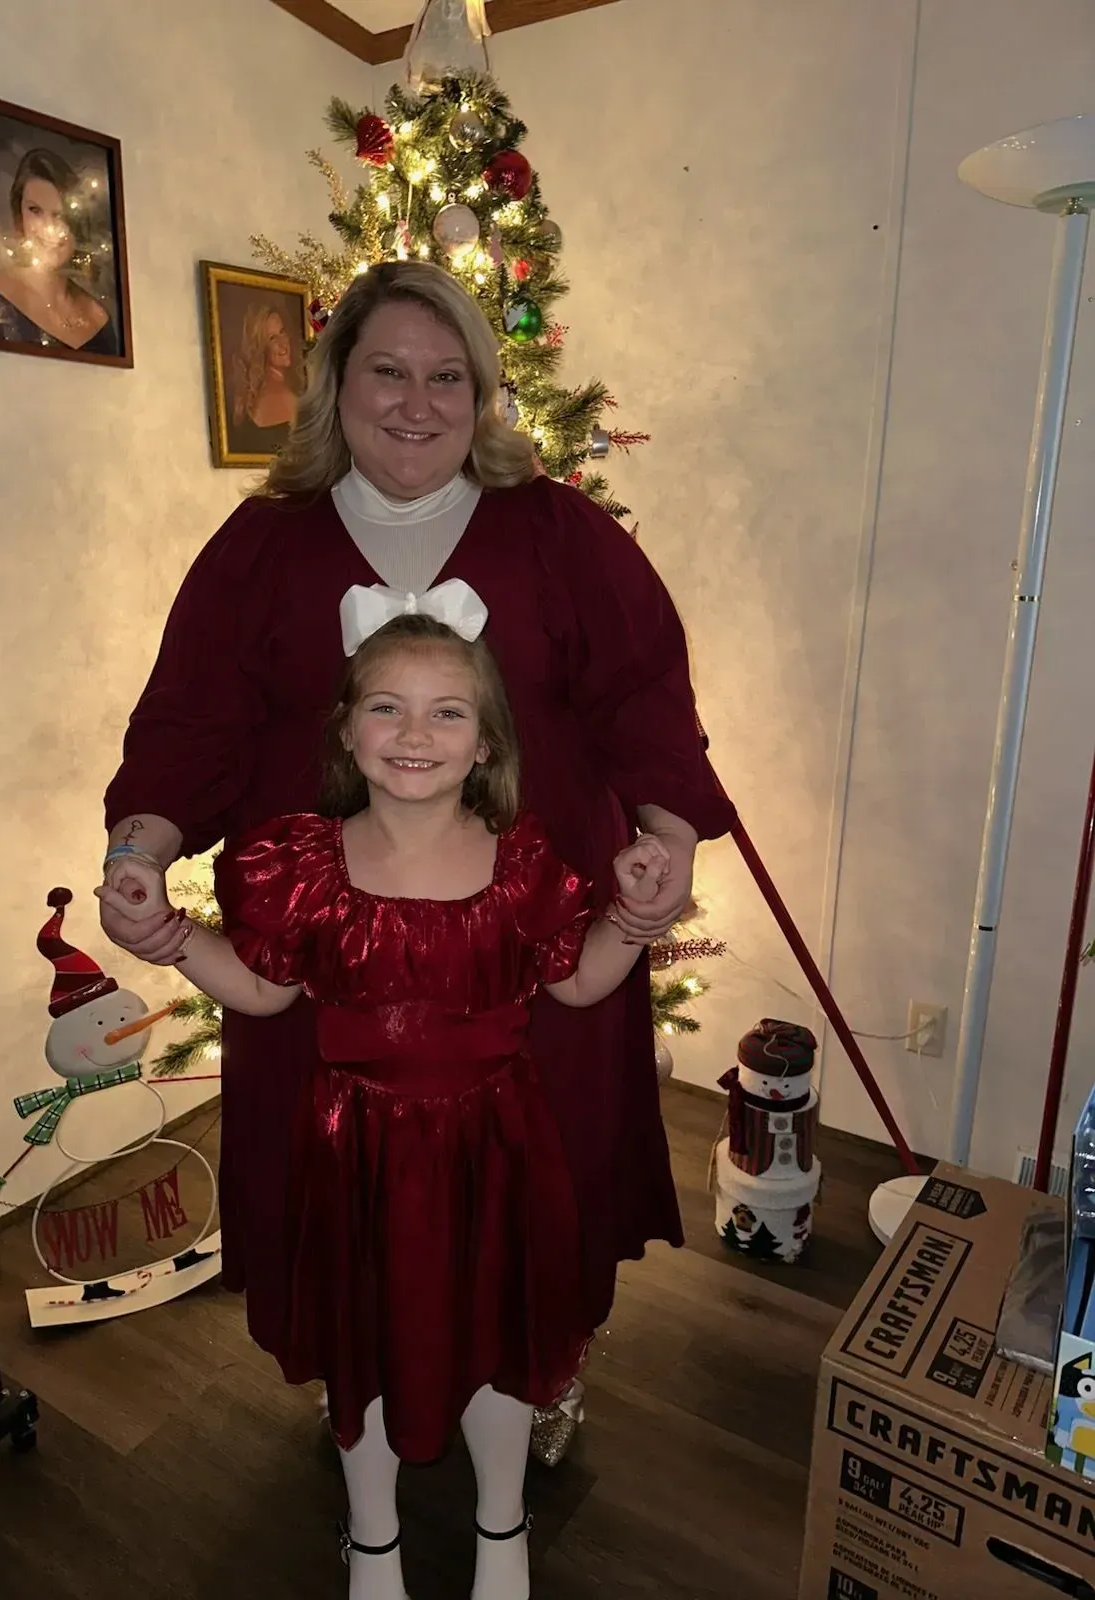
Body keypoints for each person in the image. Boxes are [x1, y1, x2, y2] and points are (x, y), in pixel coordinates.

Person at [100, 259, 736, 1467]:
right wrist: (142, 853)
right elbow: (188, 723)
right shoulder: (259, 545)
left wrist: (667, 839)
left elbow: (649, 697)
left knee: (531, 1176)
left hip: (524, 938)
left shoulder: (561, 533)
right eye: (386, 370)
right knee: (342, 1176)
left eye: (449, 376)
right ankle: (364, 1373)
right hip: (327, 960)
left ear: (485, 397)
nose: (416, 402)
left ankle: (533, 1369)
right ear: (335, 385)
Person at [100, 609, 671, 1598]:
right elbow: (264, 988)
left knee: (500, 1341)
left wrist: (633, 911)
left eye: (447, 712)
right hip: (356, 1149)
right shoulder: (300, 865)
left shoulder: (523, 863)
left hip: (497, 1145)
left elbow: (578, 983)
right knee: (361, 1349)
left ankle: (504, 1528)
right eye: (388, 708)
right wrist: (172, 940)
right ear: (347, 729)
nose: (415, 734)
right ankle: (374, 1539)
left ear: (485, 741)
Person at [0, 147, 118, 355]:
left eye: (59, 214)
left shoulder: (98, 318)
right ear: (19, 215)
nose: (48, 227)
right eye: (35, 210)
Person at [227, 301, 303, 456]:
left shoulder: (293, 383)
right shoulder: (278, 393)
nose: (283, 344)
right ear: (260, 347)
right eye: (273, 338)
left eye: (283, 332)